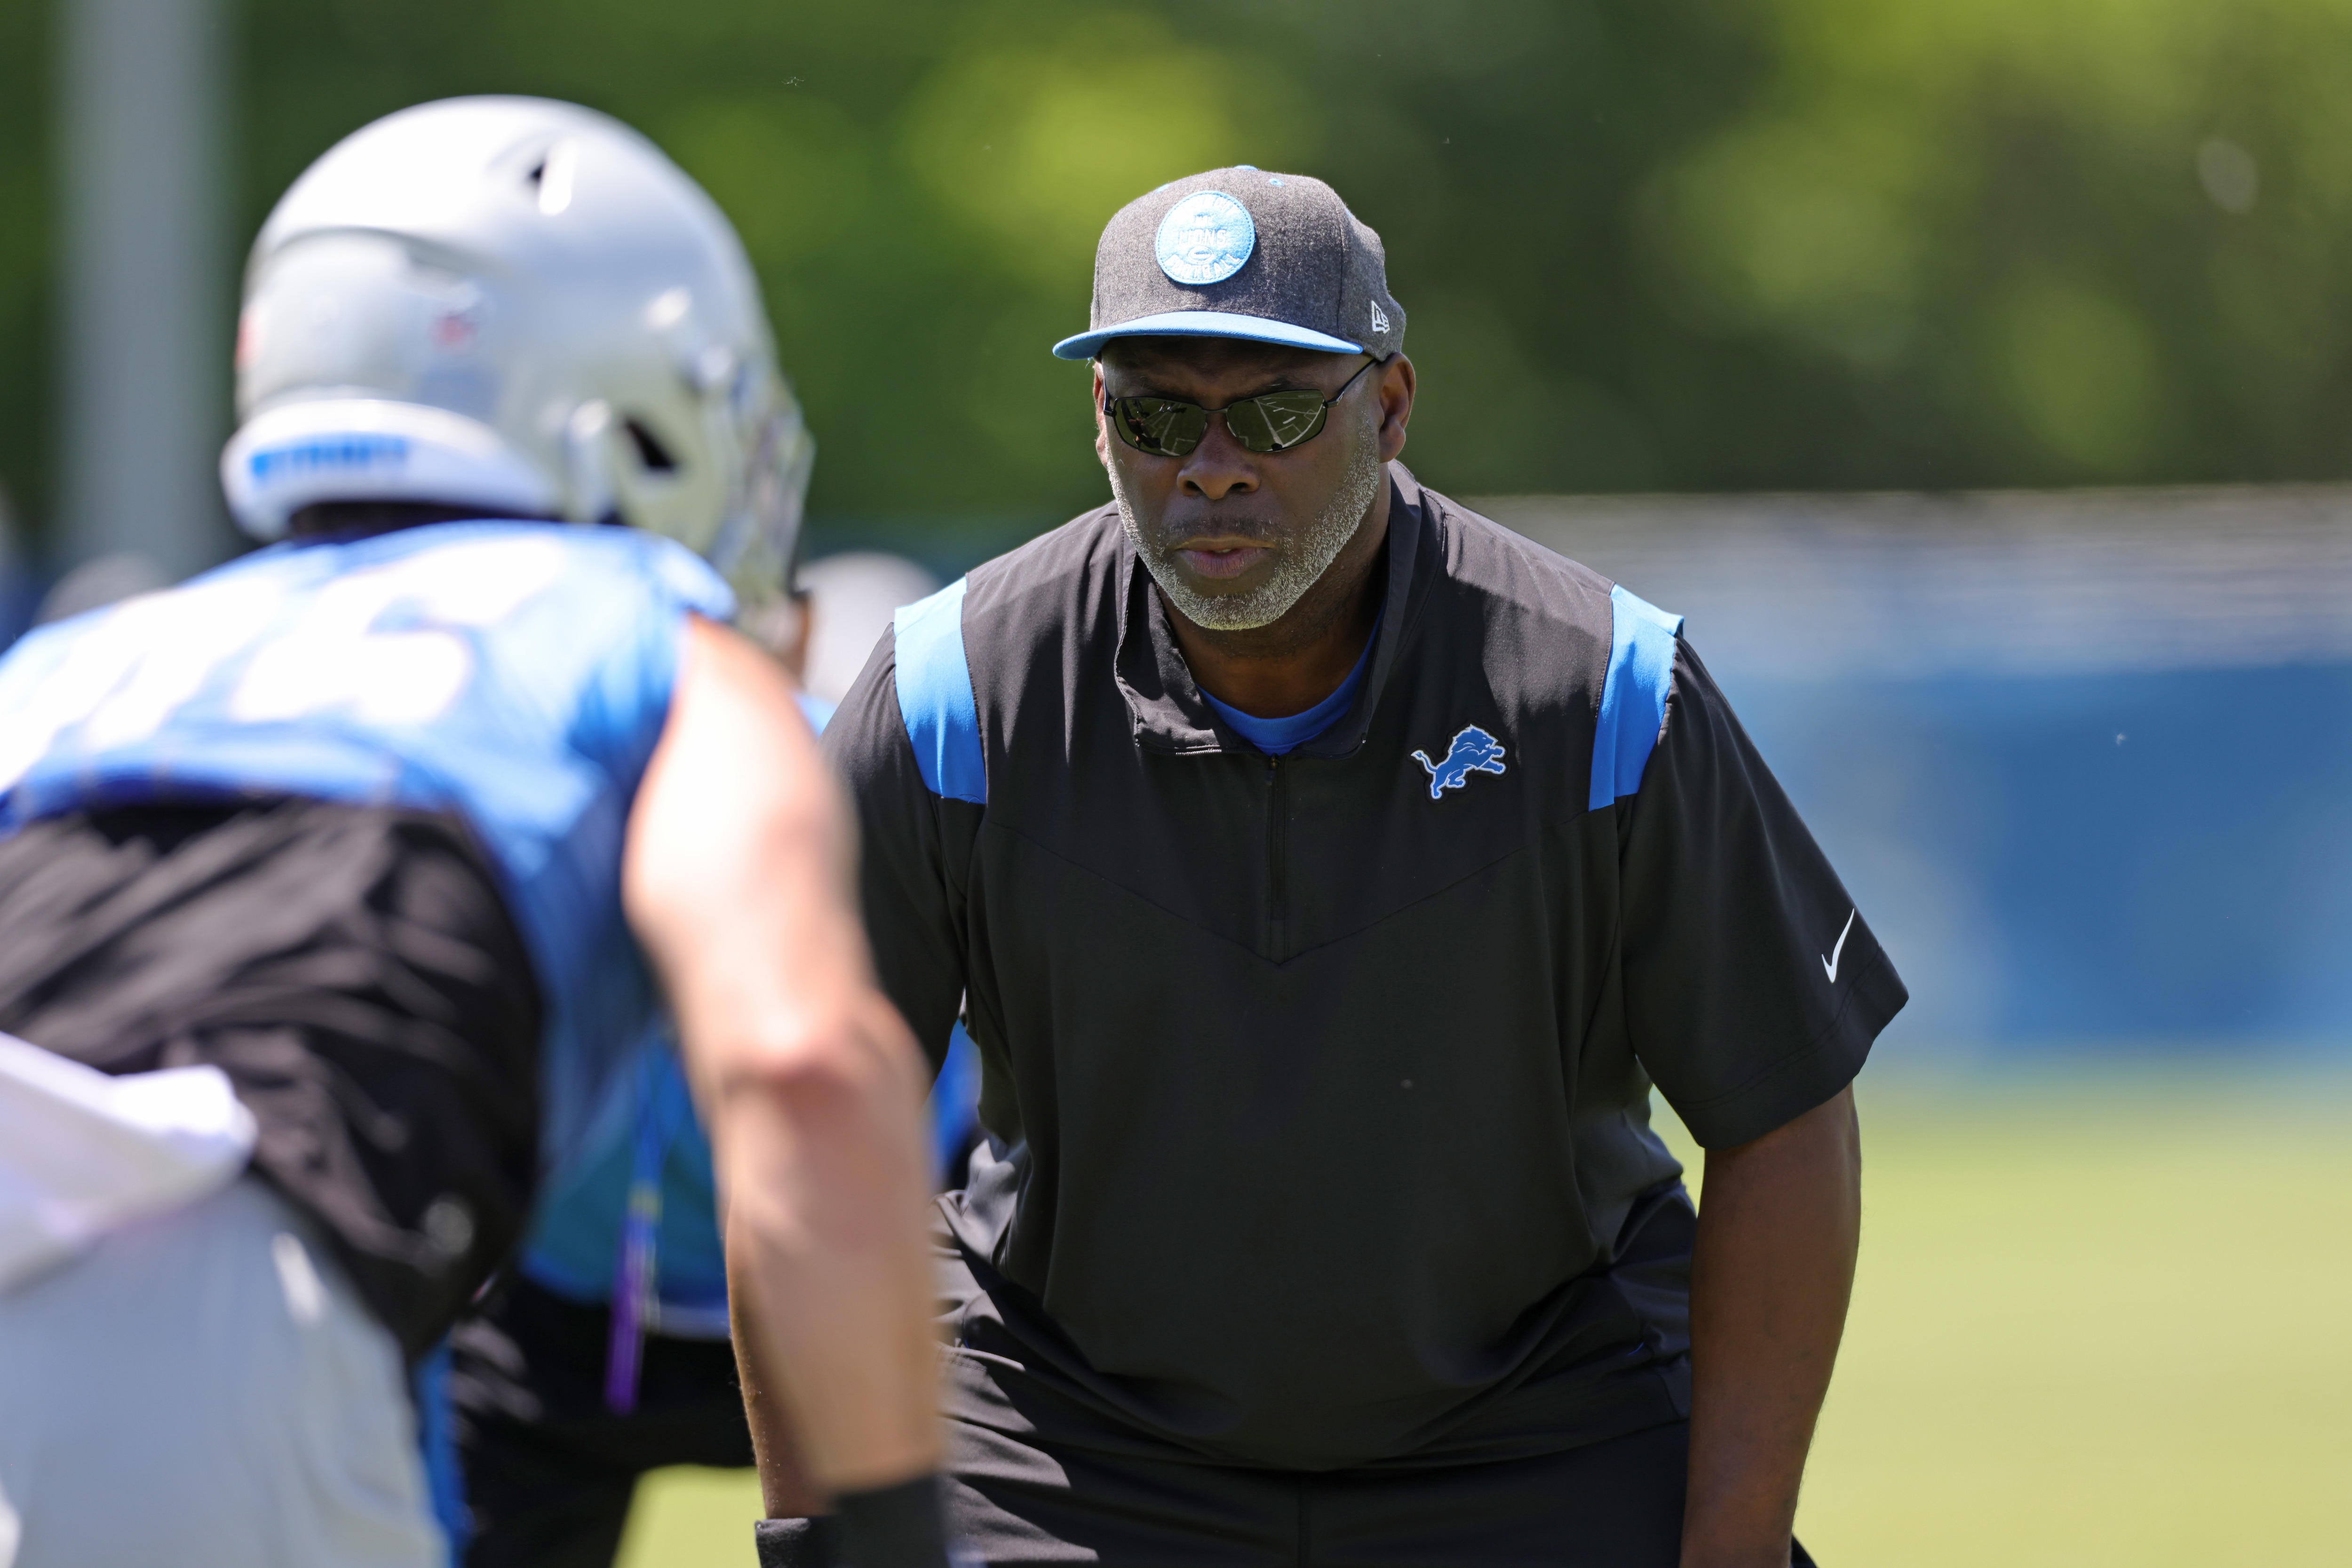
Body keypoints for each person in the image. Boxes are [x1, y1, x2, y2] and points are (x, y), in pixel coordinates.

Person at [811, 168, 1904, 1566]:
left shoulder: (1606, 688)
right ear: (1099, 427)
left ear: (1388, 413)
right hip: (1070, 1428)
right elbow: (815, 1134)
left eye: (1271, 411)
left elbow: (1785, 1111)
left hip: (1543, 1413)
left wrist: (1736, 1545)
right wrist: (815, 1533)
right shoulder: (954, 691)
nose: (1211, 465)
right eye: (1156, 414)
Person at [0, 97, 954, 1568]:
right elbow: (799, 1058)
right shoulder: (647, 636)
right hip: (196, 1312)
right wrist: (890, 1537)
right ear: (632, 400)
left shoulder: (68, 669)